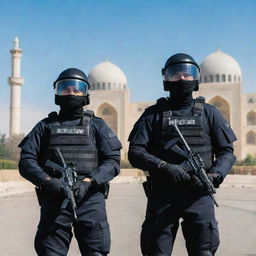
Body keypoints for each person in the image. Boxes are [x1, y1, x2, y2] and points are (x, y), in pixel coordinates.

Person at [128, 53, 237, 256]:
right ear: (166, 79)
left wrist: (214, 176)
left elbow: (227, 152)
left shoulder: (209, 113)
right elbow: (135, 152)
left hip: (199, 191)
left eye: (188, 75)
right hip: (163, 193)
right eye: (176, 75)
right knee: (156, 251)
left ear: (196, 79)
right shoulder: (153, 115)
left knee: (204, 250)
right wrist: (164, 166)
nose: (182, 79)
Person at [18, 68, 122, 256]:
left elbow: (113, 161)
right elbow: (26, 161)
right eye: (65, 88)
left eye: (77, 89)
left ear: (86, 93)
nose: (71, 93)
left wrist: (89, 181)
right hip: (55, 199)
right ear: (57, 93)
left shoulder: (97, 125)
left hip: (90, 200)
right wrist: (47, 181)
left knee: (96, 251)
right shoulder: (45, 126)